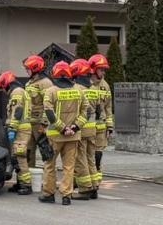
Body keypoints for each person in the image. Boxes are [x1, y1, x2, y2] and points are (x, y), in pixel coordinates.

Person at [40, 61, 83, 205]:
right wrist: (75, 128)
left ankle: (48, 194)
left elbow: (49, 112)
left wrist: (62, 128)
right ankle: (66, 196)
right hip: (73, 136)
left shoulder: (50, 91)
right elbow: (87, 111)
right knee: (69, 167)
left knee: (49, 165)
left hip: (55, 136)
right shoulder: (79, 90)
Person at [0, 71, 34, 195]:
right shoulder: (20, 91)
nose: (3, 90)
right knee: (16, 157)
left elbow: (17, 111)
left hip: (20, 129)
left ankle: (26, 185)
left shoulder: (17, 92)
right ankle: (20, 183)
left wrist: (12, 128)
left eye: (3, 87)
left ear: (6, 84)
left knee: (20, 157)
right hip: (21, 127)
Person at [71, 56, 100, 200]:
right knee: (91, 158)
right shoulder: (94, 88)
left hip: (81, 129)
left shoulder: (77, 89)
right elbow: (98, 110)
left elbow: (78, 111)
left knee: (80, 158)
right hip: (93, 129)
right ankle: (94, 186)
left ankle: (84, 189)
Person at [24, 54, 53, 180]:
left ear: (35, 68)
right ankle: (28, 180)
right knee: (27, 152)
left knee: (46, 153)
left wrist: (44, 124)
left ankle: (48, 181)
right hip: (29, 123)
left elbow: (49, 105)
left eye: (28, 68)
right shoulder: (29, 83)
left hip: (40, 125)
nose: (26, 71)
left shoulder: (45, 83)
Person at [89, 53, 114, 183]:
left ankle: (96, 181)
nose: (103, 72)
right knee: (86, 154)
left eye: (104, 70)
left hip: (101, 127)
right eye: (101, 69)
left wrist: (110, 126)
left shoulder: (105, 85)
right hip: (87, 127)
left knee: (98, 154)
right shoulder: (86, 84)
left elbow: (108, 107)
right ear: (93, 69)